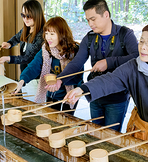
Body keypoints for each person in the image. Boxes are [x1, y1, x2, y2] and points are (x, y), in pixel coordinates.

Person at [64, 23, 148, 143]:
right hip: (141, 129)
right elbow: (110, 80)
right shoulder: (133, 66)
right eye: (141, 41)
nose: (143, 47)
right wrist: (82, 89)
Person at [46, 0, 139, 131]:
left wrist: (109, 62)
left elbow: (137, 58)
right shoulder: (89, 38)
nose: (90, 24)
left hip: (117, 97)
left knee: (111, 137)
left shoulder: (125, 34)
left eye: (93, 19)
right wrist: (60, 79)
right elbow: (77, 62)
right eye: (88, 20)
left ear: (106, 14)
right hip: (94, 93)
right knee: (96, 132)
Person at [14, 16, 83, 115]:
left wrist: (58, 80)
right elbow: (34, 66)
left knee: (66, 122)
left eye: (52, 34)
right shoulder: (46, 49)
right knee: (52, 119)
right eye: (46, 33)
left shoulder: (74, 51)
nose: (48, 37)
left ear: (62, 34)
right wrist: (22, 80)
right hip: (51, 93)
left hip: (70, 94)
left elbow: (77, 76)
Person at [0, 0, 45, 74]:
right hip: (25, 70)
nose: (25, 19)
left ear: (37, 14)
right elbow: (17, 38)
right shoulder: (27, 28)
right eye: (23, 15)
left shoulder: (42, 35)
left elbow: (29, 58)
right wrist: (9, 44)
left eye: (28, 16)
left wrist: (8, 58)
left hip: (36, 74)